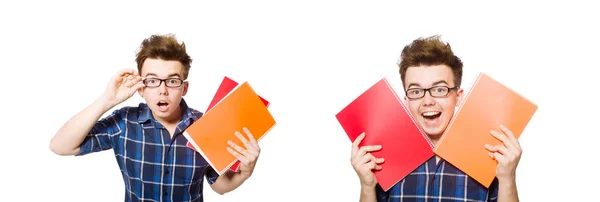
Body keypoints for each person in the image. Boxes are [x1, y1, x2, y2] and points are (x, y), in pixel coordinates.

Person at [49, 34, 261, 202]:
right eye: (152, 81)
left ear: (184, 88)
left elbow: (218, 186)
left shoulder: (206, 125)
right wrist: (107, 100)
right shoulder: (124, 123)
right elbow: (61, 146)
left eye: (172, 81)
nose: (162, 90)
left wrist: (244, 173)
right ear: (141, 88)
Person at [350, 35, 522, 202]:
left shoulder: (489, 153)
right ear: (406, 101)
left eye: (439, 89)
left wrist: (508, 178)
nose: (428, 101)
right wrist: (366, 186)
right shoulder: (383, 156)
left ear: (458, 96)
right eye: (416, 92)